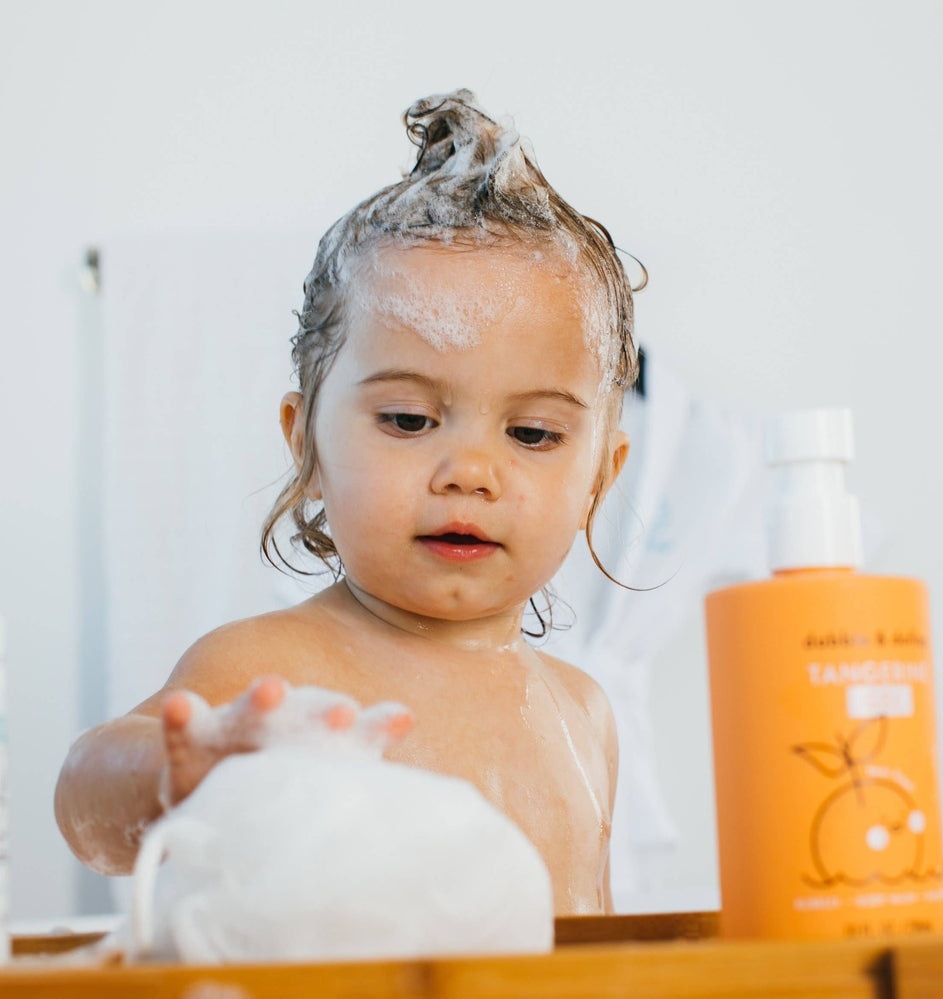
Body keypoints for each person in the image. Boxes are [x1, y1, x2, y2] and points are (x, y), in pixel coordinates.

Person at [55, 89, 639, 915]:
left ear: (599, 480)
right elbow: (85, 802)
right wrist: (174, 770)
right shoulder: (271, 673)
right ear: (307, 444)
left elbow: (598, 947)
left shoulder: (582, 713)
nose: (469, 471)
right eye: (407, 418)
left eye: (534, 433)